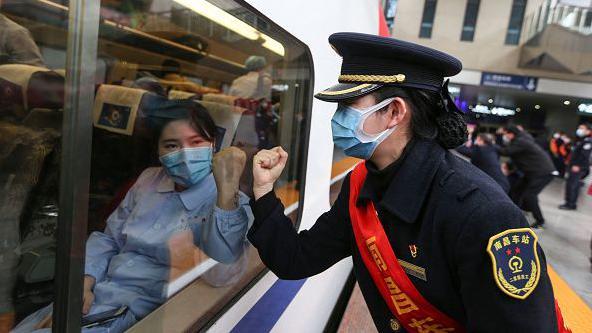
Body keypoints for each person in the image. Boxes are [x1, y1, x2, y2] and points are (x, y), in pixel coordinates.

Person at [248, 33, 566, 332]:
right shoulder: (362, 184)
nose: (337, 119)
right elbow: (296, 259)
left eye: (348, 107)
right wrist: (263, 192)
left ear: (394, 112)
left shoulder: (482, 214)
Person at [12, 103, 252, 332]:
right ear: (157, 151)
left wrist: (227, 192)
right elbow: (109, 239)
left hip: (136, 313)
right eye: (171, 146)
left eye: (196, 142)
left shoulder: (231, 201)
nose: (185, 154)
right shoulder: (149, 180)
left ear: (213, 145)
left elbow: (222, 276)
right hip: (94, 294)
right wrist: (84, 283)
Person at [498, 125, 556, 228]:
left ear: (511, 133)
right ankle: (514, 212)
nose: (504, 136)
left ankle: (540, 220)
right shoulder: (521, 139)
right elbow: (518, 157)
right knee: (517, 190)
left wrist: (490, 144)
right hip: (531, 172)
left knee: (530, 195)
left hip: (542, 173)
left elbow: (507, 152)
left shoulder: (520, 141)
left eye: (505, 134)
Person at [559, 123, 592, 210]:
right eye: (579, 127)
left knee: (572, 185)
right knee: (574, 185)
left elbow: (584, 155)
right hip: (575, 166)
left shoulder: (588, 141)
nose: (579, 129)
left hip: (578, 167)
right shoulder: (581, 140)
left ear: (588, 131)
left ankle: (569, 204)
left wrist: (577, 165)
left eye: (582, 128)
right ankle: (571, 203)